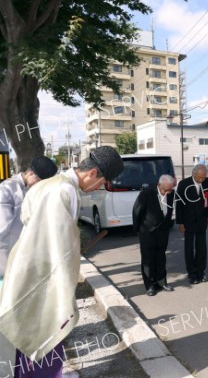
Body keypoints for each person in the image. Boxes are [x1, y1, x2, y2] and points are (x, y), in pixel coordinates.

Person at [0, 146, 123, 374]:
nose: (100, 188)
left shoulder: (47, 185)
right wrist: (66, 290)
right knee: (43, 344)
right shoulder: (65, 190)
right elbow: (60, 247)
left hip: (23, 269)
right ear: (93, 173)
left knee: (25, 344)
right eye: (102, 182)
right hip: (42, 279)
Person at [0, 156, 57, 378]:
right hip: (4, 267)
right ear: (31, 174)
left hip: (18, 268)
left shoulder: (28, 190)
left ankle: (18, 367)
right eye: (40, 181)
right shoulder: (6, 190)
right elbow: (3, 231)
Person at [133, 174, 176, 296]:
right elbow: (137, 212)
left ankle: (162, 282)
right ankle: (150, 285)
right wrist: (138, 229)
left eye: (170, 189)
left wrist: (168, 224)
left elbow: (170, 210)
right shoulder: (146, 193)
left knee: (161, 257)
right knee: (148, 259)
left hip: (163, 231)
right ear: (159, 184)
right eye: (165, 189)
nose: (167, 192)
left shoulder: (171, 193)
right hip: (148, 231)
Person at [175, 165, 208, 284]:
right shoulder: (184, 184)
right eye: (199, 177)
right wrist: (180, 222)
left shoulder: (207, 183)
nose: (201, 180)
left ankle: (201, 272)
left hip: (201, 220)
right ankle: (192, 274)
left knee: (202, 248)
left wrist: (207, 216)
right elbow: (179, 204)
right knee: (189, 248)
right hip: (188, 220)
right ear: (193, 174)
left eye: (203, 177)